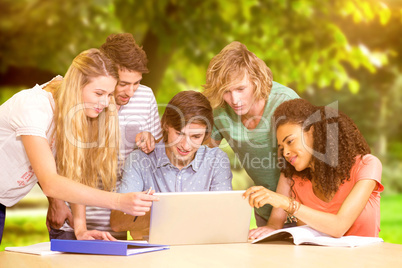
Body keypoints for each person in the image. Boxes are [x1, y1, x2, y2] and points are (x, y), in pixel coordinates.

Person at [0, 48, 157, 244]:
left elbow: (74, 170)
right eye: (99, 93)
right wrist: (119, 201)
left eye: (109, 94)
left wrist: (81, 228)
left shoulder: (76, 110)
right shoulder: (33, 107)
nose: (104, 102)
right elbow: (50, 182)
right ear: (76, 85)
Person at [46, 33, 163, 240]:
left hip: (117, 215)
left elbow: (156, 158)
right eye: (124, 83)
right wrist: (55, 201)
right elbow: (54, 159)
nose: (131, 92)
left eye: (136, 83)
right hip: (72, 214)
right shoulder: (85, 100)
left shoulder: (146, 97)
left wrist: (151, 141)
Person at [244, 99, 384, 238]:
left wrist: (287, 203)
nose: (285, 152)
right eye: (281, 147)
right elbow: (274, 225)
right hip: (317, 258)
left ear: (313, 131)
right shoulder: (290, 177)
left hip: (364, 259)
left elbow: (338, 227)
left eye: (290, 141)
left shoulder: (367, 165)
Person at [110, 90, 233, 239]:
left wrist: (152, 215)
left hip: (202, 254)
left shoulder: (216, 161)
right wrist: (191, 215)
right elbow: (118, 222)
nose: (186, 145)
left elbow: (224, 220)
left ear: (206, 135)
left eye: (196, 136)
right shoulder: (140, 160)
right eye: (179, 133)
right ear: (166, 125)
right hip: (153, 256)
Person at [202, 41, 299, 226]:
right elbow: (202, 159)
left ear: (257, 80)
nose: (234, 100)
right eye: (226, 92)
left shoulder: (285, 103)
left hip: (300, 209)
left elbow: (293, 171)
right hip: (264, 209)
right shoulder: (220, 111)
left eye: (240, 89)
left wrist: (275, 223)